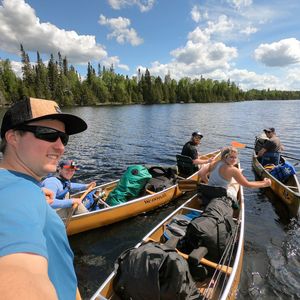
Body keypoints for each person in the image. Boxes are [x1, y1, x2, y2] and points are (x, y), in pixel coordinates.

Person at [0, 97, 87, 299]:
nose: (61, 147)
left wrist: (38, 196)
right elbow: (19, 277)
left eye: (63, 138)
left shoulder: (22, 187)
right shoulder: (17, 194)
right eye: (48, 134)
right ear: (13, 137)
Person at [203, 146, 271, 201]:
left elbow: (202, 174)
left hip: (209, 191)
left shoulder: (213, 163)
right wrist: (265, 183)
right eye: (231, 157)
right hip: (221, 196)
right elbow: (248, 185)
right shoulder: (233, 170)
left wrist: (209, 182)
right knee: (236, 184)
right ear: (225, 157)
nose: (234, 160)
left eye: (235, 157)